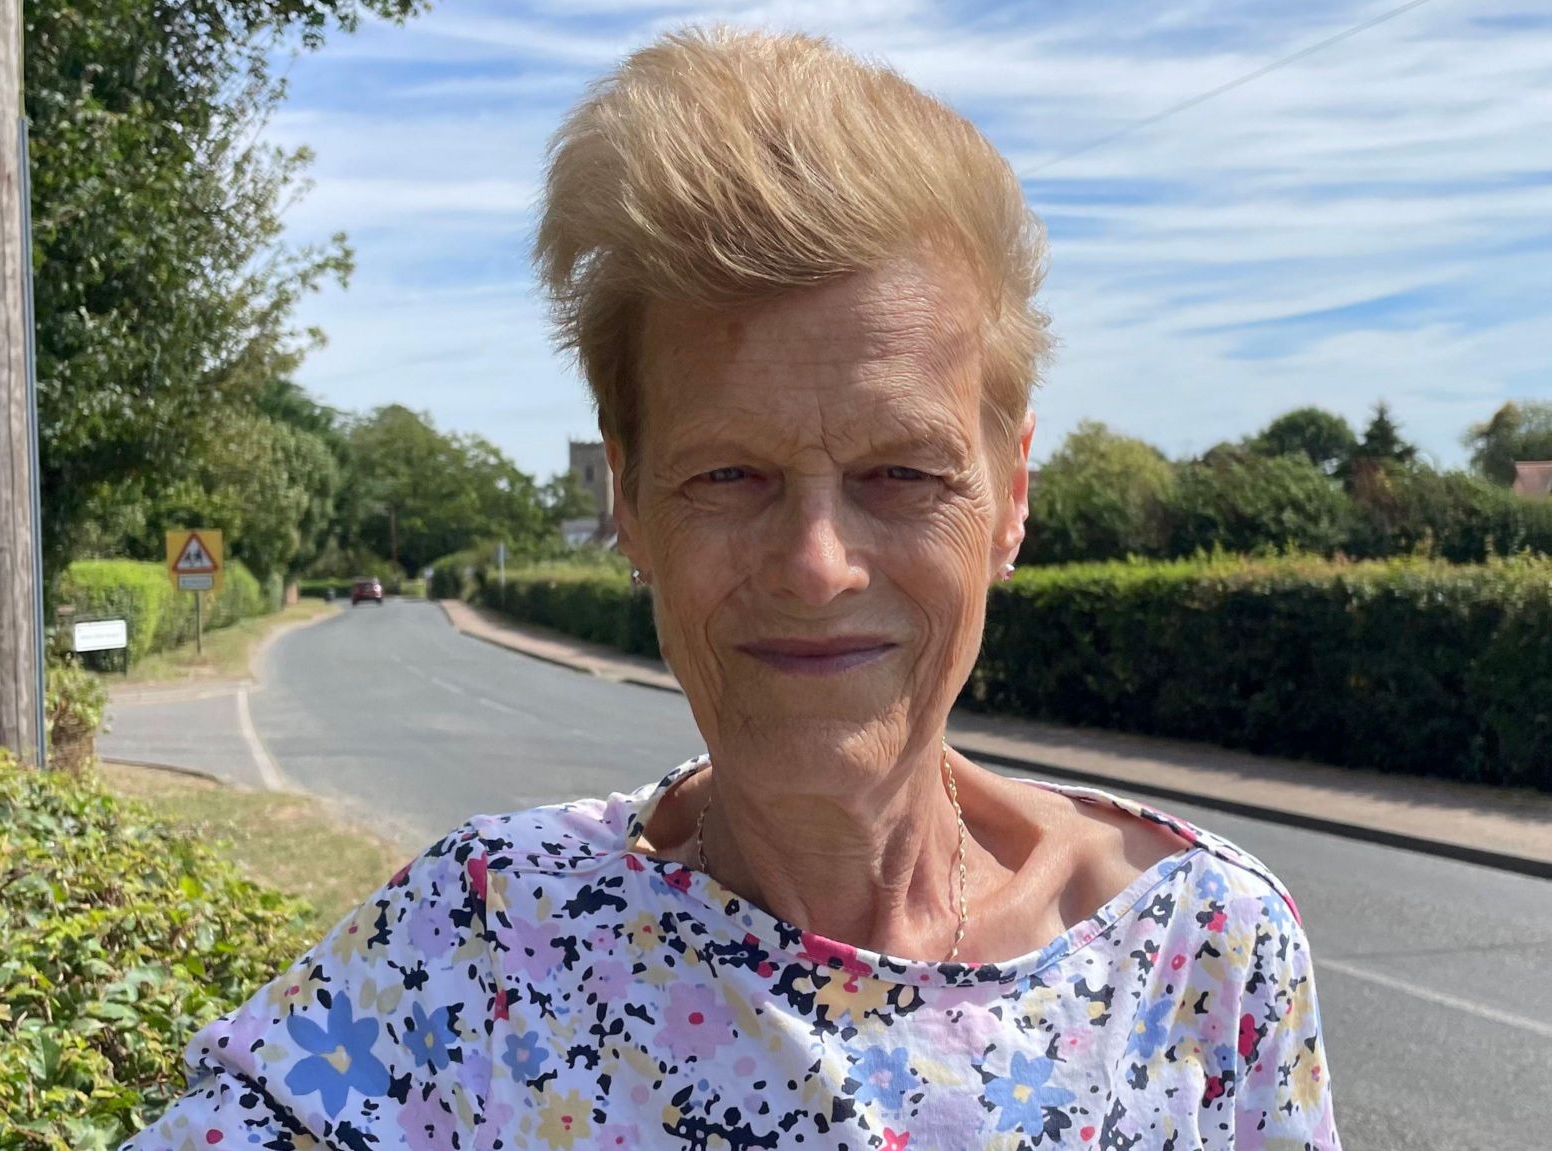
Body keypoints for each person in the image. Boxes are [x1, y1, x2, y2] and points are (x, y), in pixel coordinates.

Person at [124, 28, 1337, 1151]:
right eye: (728, 472)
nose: (816, 562)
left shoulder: (1198, 955)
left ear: (1009, 498)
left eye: (902, 472)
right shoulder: (483, 943)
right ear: (632, 503)